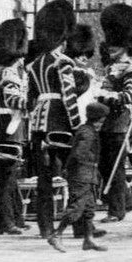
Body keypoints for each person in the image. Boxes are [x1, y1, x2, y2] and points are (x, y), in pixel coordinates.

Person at [25, 0, 82, 238]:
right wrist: (78, 126)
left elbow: (30, 100)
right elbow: (69, 97)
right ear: (63, 35)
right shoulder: (63, 62)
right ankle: (81, 226)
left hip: (39, 125)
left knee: (44, 180)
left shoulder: (34, 65)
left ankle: (46, 227)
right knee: (78, 175)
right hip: (60, 122)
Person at [96, 3, 132, 224]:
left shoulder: (131, 69)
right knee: (106, 165)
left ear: (126, 46)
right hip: (108, 123)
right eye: (110, 46)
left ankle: (116, 210)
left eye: (116, 47)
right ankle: (128, 201)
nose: (111, 50)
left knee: (114, 167)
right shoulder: (111, 68)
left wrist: (106, 96)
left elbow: (130, 95)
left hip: (121, 124)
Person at [0, 18, 30, 236]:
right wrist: (32, 102)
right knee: (6, 177)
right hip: (7, 129)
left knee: (11, 176)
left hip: (9, 128)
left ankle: (14, 217)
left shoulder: (7, 73)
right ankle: (4, 222)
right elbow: (13, 100)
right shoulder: (9, 74)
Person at [47, 101, 109, 253]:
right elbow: (79, 154)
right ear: (98, 119)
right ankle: (56, 235)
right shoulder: (87, 133)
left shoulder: (87, 130)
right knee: (76, 208)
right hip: (82, 176)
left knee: (88, 209)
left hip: (87, 175)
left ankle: (88, 239)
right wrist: (86, 168)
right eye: (102, 120)